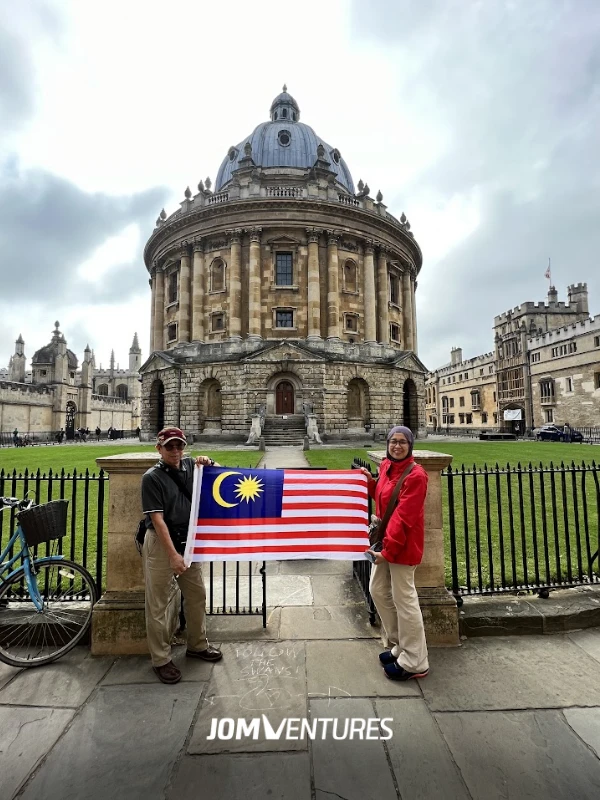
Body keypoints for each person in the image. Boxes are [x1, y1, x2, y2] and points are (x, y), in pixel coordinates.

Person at [141, 426, 222, 684]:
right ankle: (161, 659)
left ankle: (197, 645)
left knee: (196, 594)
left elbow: (222, 477)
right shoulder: (151, 478)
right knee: (159, 604)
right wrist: (174, 556)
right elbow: (158, 520)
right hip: (162, 544)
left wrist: (210, 462)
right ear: (159, 448)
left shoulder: (190, 466)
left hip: (188, 543)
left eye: (179, 446)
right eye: (170, 447)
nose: (175, 451)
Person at [360, 425, 430, 681]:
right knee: (377, 590)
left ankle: (415, 661)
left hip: (402, 546)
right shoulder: (387, 467)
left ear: (410, 445)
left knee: (405, 600)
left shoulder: (417, 475)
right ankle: (400, 644)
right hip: (386, 544)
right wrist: (369, 482)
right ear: (388, 444)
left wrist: (388, 551)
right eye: (393, 442)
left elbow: (403, 517)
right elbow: (384, 498)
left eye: (402, 442)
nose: (397, 446)